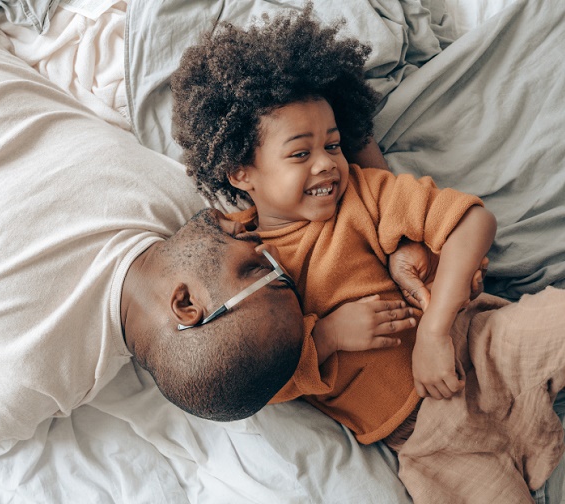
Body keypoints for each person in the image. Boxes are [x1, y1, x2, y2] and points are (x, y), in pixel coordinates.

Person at [0, 0, 439, 445]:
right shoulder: (189, 217)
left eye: (257, 269)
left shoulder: (18, 378)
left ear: (188, 307)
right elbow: (315, 135)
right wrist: (398, 243)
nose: (253, 236)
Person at [170, 6, 565, 503]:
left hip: (480, 350)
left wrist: (436, 330)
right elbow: (253, 376)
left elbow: (472, 221)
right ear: (239, 172)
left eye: (333, 146)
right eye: (299, 153)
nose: (326, 165)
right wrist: (329, 336)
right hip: (428, 443)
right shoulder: (246, 264)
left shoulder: (362, 193)